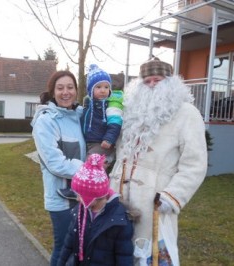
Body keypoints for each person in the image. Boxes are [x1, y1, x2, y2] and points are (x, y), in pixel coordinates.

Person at [109, 57, 208, 266]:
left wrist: (172, 197)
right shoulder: (130, 112)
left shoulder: (187, 114)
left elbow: (195, 163)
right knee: (116, 254)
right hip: (116, 199)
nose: (152, 85)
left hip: (154, 203)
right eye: (147, 81)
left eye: (157, 80)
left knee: (149, 257)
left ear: (171, 83)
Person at [31, 70, 87, 266]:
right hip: (61, 199)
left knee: (79, 248)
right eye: (60, 88)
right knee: (64, 248)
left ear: (76, 91)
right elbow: (55, 163)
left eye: (70, 87)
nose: (66, 92)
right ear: (53, 92)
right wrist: (88, 169)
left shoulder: (79, 116)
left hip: (82, 196)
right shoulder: (46, 121)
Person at [57, 64, 123, 200]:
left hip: (102, 143)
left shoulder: (110, 105)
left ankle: (77, 192)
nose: (103, 90)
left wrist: (109, 139)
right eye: (98, 87)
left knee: (90, 168)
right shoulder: (89, 104)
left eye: (106, 87)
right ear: (90, 90)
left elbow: (115, 123)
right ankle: (102, 193)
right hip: (90, 141)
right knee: (93, 169)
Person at [57, 154, 134, 266]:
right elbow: (68, 245)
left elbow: (124, 258)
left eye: (80, 195)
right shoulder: (80, 212)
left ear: (93, 197)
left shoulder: (119, 222)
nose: (77, 199)